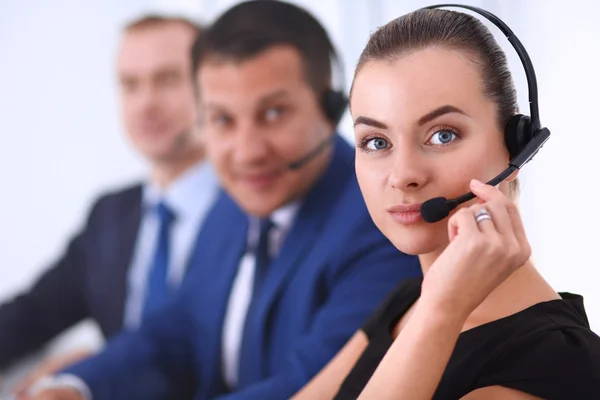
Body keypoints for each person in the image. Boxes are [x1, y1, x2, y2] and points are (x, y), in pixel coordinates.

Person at [27, 1, 421, 399]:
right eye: (222, 120)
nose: (246, 152)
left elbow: (313, 385)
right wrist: (77, 386)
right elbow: (179, 333)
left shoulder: (382, 222)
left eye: (273, 113)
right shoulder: (233, 205)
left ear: (331, 106)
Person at [292, 6, 600, 400]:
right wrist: (435, 304)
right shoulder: (408, 302)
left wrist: (441, 309)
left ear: (517, 146)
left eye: (443, 135)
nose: (403, 175)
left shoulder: (556, 367)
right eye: (377, 142)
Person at [0, 14, 220, 395]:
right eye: (130, 84)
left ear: (214, 87)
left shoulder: (254, 209)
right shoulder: (112, 214)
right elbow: (31, 315)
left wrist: (93, 370)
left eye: (168, 79)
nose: (146, 102)